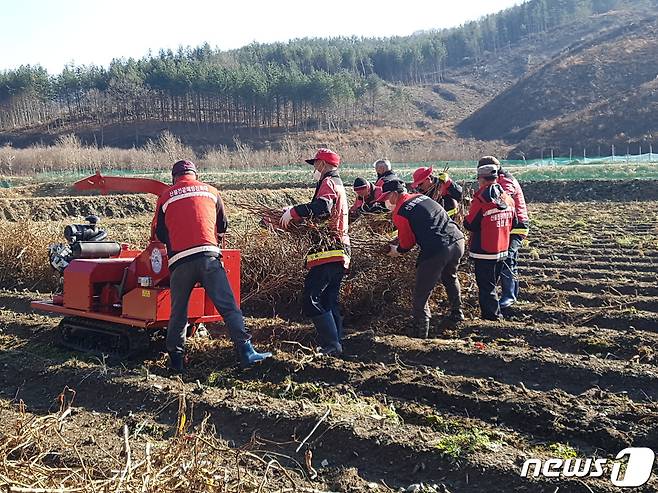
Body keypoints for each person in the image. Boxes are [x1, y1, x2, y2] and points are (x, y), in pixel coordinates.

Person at [154, 160, 272, 372]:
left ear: (174, 177)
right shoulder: (211, 191)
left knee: (178, 313)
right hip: (209, 258)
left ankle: (176, 362)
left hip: (180, 263)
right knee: (228, 307)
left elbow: (160, 233)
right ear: (195, 175)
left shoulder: (165, 197)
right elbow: (223, 225)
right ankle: (246, 352)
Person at [280, 148, 350, 355]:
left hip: (328, 249)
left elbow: (322, 208)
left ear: (322, 164)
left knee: (311, 299)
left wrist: (293, 212)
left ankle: (331, 345)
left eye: (315, 165)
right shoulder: (337, 183)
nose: (313, 169)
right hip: (341, 249)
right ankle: (337, 344)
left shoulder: (328, 182)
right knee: (329, 300)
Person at [377, 179, 465, 338]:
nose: (385, 201)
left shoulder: (400, 211)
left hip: (437, 249)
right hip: (457, 240)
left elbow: (407, 243)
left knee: (421, 293)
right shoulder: (421, 197)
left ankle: (420, 331)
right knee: (450, 277)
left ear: (395, 194)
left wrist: (397, 250)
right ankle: (457, 314)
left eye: (386, 197)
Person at [463, 163, 516, 321]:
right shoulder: (508, 198)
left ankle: (492, 317)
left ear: (482, 179)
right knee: (493, 284)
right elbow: (516, 222)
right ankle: (495, 314)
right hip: (502, 249)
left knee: (486, 287)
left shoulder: (481, 200)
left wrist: (467, 215)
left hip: (484, 251)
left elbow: (470, 224)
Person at [477, 156, 530, 309]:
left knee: (508, 258)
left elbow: (502, 199)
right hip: (504, 223)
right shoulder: (496, 179)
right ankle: (511, 292)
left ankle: (509, 295)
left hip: (516, 224)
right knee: (505, 258)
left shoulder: (506, 180)